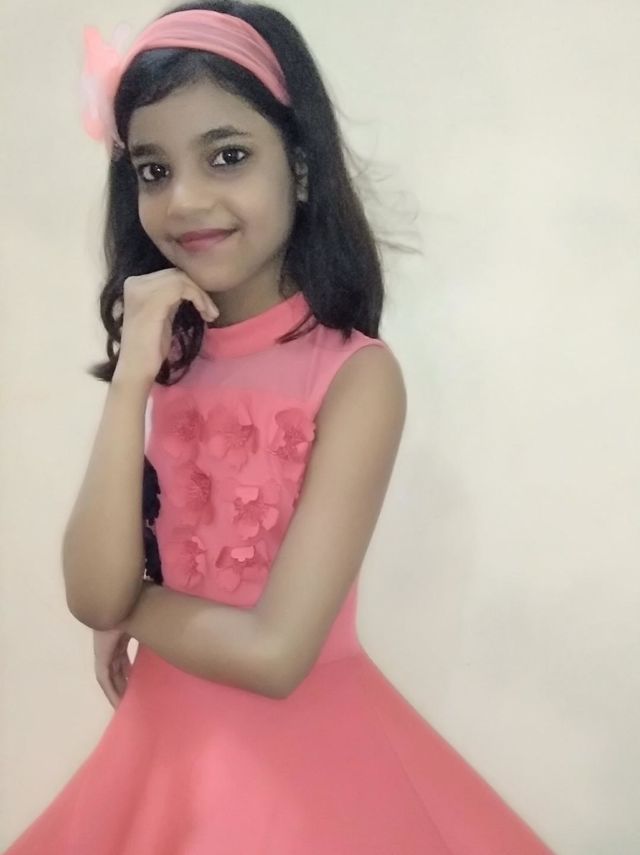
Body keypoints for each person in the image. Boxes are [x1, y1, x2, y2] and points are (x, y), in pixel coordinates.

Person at [3, 3, 556, 853]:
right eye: (153, 170)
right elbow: (88, 587)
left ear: (298, 166)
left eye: (227, 155)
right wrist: (132, 376)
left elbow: (274, 652)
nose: (186, 198)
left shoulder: (356, 376)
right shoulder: (171, 356)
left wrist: (134, 604)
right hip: (161, 749)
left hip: (299, 766)